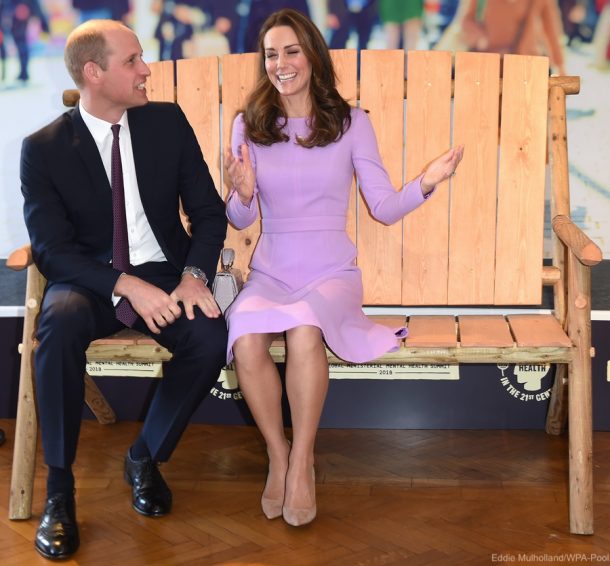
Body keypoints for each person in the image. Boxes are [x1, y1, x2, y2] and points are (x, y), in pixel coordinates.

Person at [223, 8, 463, 527]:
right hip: (270, 269)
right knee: (244, 339)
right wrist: (241, 193)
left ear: (311, 54)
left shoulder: (352, 123)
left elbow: (381, 206)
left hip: (331, 270)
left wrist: (426, 181)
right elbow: (241, 216)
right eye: (271, 54)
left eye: (291, 51)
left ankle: (304, 458)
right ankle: (278, 454)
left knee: (307, 329)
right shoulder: (249, 124)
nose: (281, 64)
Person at [21, 19, 228, 560]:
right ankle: (59, 493)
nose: (146, 70)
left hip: (166, 273)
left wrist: (194, 276)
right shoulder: (41, 149)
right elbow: (51, 250)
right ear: (95, 73)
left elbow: (208, 212)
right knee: (59, 326)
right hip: (92, 279)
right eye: (133, 60)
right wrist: (123, 284)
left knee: (209, 337)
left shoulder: (167, 122)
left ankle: (144, 456)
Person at [461, 0, 566, 75]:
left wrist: (560, 65)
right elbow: (467, 20)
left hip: (527, 64)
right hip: (491, 65)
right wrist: (480, 37)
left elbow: (552, 29)